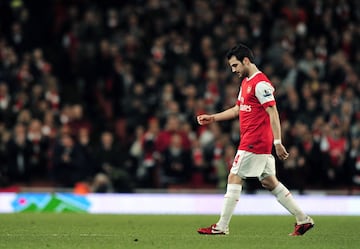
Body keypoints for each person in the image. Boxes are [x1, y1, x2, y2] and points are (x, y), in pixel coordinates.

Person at [196, 44, 314, 236]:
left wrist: (278, 141)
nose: (233, 70)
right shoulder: (246, 82)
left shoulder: (260, 84)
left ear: (246, 61)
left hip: (255, 140)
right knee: (269, 182)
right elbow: (237, 110)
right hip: (255, 140)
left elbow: (273, 111)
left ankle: (221, 226)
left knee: (234, 176)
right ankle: (303, 219)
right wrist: (213, 117)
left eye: (235, 66)